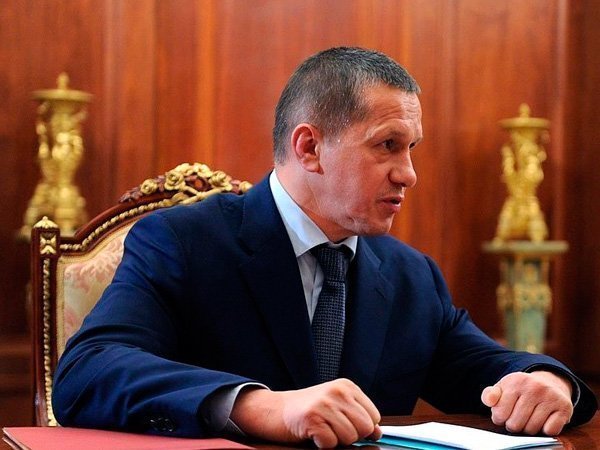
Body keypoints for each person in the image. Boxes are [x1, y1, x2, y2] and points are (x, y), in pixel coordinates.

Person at [52, 47, 597, 448]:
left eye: (412, 148)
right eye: (387, 145)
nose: (408, 174)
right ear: (310, 148)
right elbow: (88, 372)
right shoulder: (183, 241)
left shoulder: (410, 275)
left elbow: (489, 368)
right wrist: (261, 406)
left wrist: (547, 382)